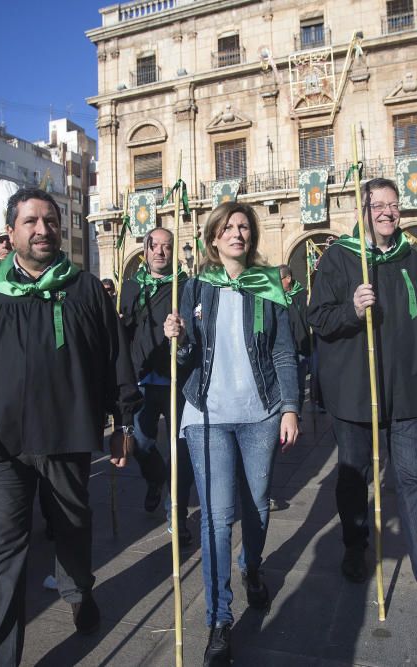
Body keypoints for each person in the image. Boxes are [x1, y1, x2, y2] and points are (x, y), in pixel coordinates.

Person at [0, 187, 141, 665]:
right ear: (11, 230)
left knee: (72, 527)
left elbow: (114, 360)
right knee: (0, 551)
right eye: (31, 222)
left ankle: (79, 589)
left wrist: (124, 418)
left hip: (66, 434)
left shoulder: (83, 287)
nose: (42, 230)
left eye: (50, 221)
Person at [308, 178, 417, 609]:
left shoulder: (413, 259)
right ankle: (355, 544)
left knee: (415, 477)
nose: (387, 212)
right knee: (355, 477)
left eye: (393, 205)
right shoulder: (338, 258)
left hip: (406, 389)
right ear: (363, 211)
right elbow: (318, 318)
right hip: (354, 390)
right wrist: (351, 308)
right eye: (378, 205)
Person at [163, 201, 299, 666]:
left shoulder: (267, 288)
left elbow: (284, 353)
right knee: (216, 518)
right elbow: (184, 361)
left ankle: (252, 567)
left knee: (257, 506)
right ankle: (219, 620)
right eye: (228, 227)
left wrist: (290, 407)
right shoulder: (196, 286)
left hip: (260, 413)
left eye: (243, 227)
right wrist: (176, 338)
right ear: (213, 238)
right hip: (207, 414)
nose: (237, 233)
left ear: (251, 237)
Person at [118, 228, 193, 544]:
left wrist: (184, 331)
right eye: (154, 246)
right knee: (141, 444)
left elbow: (197, 330)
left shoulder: (185, 287)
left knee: (181, 451)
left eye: (167, 246)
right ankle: (154, 479)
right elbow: (122, 335)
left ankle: (177, 516)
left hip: (178, 380)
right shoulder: (131, 287)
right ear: (145, 250)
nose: (160, 252)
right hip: (143, 380)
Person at [279, 264, 310, 403]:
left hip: (301, 347)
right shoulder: (276, 297)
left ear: (288, 278)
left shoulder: (303, 295)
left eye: (279, 279)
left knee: (300, 385)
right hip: (284, 348)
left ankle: (300, 414)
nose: (277, 283)